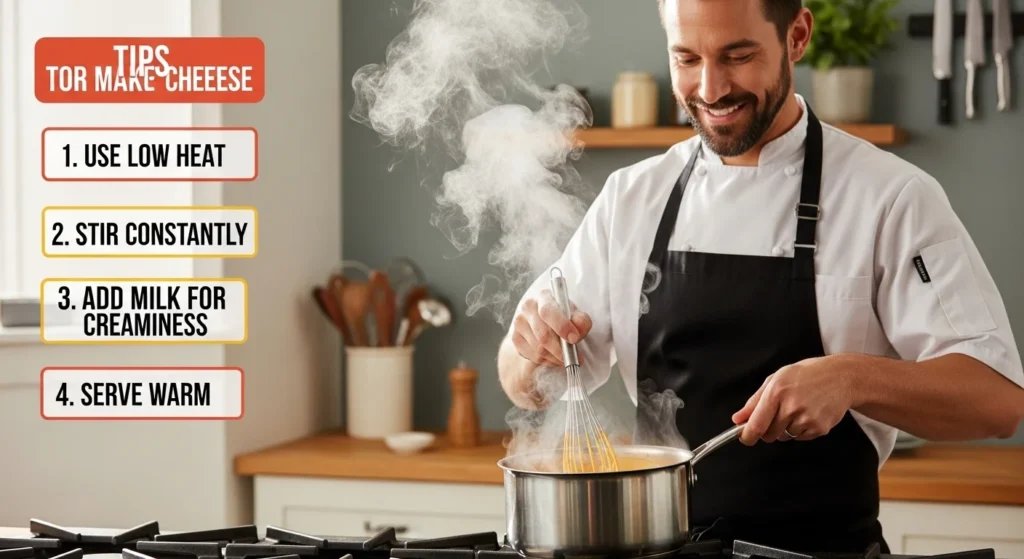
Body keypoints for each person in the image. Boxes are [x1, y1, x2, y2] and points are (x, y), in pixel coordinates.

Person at [496, 0, 1024, 553]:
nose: (710, 88)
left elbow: (997, 401)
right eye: (686, 59)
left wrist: (851, 379)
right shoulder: (632, 198)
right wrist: (531, 348)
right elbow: (523, 384)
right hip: (658, 548)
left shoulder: (890, 197)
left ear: (796, 36)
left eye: (737, 56)